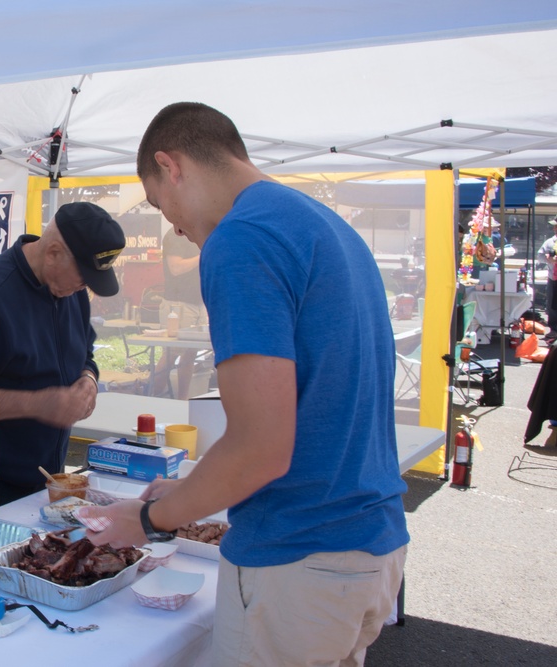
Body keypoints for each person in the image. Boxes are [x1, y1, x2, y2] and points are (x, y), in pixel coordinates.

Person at [79, 102, 409, 666]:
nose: (175, 229)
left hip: (298, 557)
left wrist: (152, 518)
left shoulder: (241, 240)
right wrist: (184, 493)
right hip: (369, 543)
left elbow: (261, 449)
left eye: (162, 205)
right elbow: (312, 413)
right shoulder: (321, 223)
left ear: (171, 164)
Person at [0, 202, 125, 512]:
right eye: (83, 277)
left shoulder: (70, 290)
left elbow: (86, 353)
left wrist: (88, 379)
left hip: (45, 478)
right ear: (52, 252)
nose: (85, 287)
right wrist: (40, 404)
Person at [149, 228, 206, 399]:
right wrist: (203, 255)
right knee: (171, 353)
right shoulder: (175, 235)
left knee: (190, 354)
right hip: (178, 304)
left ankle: (183, 400)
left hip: (197, 302)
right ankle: (152, 397)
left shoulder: (197, 232)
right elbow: (175, 267)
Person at [536, 217, 557, 344]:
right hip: (553, 278)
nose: (555, 228)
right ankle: (554, 329)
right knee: (552, 305)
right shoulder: (550, 242)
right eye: (554, 226)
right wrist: (548, 259)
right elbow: (540, 256)